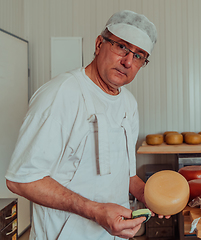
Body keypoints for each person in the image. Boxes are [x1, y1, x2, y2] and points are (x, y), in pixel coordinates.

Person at [5, 10, 162, 240]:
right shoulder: (61, 95)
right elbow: (21, 180)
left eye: (139, 56)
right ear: (99, 44)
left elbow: (125, 175)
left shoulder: (128, 103)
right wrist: (95, 211)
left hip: (114, 235)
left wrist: (151, 195)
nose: (128, 61)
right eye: (122, 47)